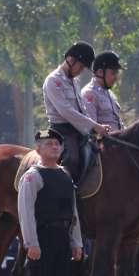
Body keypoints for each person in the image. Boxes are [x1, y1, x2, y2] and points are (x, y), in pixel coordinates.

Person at [16, 129, 83, 276]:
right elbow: (25, 212)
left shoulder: (65, 175)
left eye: (57, 143)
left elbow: (73, 213)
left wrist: (76, 242)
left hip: (62, 236)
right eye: (49, 144)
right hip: (42, 236)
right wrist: (31, 243)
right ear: (38, 148)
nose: (54, 147)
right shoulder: (32, 176)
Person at [42, 41, 110, 182]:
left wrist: (95, 128)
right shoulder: (53, 81)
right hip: (61, 131)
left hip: (78, 130)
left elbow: (81, 109)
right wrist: (93, 125)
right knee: (72, 159)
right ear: (71, 60)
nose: (81, 70)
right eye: (81, 66)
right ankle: (66, 196)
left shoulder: (74, 81)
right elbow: (67, 112)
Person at [81, 51, 125, 131]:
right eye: (113, 73)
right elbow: (90, 129)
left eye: (117, 73)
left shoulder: (110, 94)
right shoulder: (89, 94)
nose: (116, 77)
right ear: (100, 72)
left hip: (118, 140)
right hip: (103, 142)